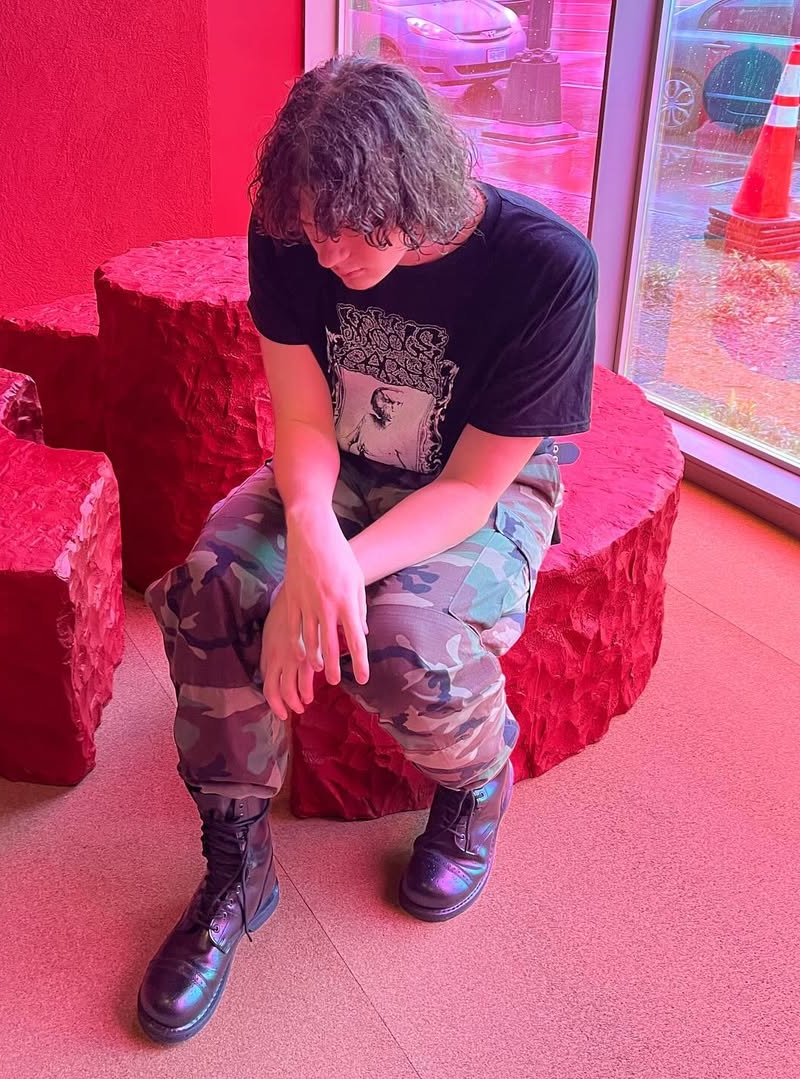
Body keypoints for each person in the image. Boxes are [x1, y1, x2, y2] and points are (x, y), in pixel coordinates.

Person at [137, 55, 597, 1044]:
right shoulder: (293, 231)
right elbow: (303, 420)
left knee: (399, 637)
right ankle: (236, 865)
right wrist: (311, 536)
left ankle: (476, 780)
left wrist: (339, 571)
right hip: (337, 461)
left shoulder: (546, 268)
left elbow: (471, 487)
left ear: (415, 190)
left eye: (346, 229)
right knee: (213, 584)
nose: (325, 250)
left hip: (477, 486)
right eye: (310, 227)